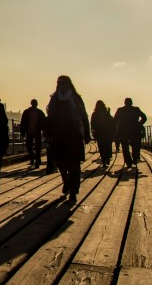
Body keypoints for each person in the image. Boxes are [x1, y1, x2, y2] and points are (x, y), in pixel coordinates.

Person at [45, 75, 90, 205]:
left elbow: (83, 116)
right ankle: (66, 181)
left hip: (74, 134)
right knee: (60, 162)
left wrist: (87, 133)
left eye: (64, 83)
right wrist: (47, 132)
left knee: (74, 164)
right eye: (59, 83)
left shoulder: (76, 98)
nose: (62, 85)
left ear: (69, 84)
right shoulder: (54, 99)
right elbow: (50, 117)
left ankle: (74, 191)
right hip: (58, 135)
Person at [113, 97, 148, 169]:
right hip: (134, 130)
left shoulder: (120, 110)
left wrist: (116, 128)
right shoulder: (136, 109)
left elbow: (115, 120)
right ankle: (135, 158)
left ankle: (128, 162)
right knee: (136, 145)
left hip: (123, 131)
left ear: (124, 103)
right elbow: (144, 117)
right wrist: (140, 123)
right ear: (131, 103)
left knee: (125, 147)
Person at [20, 99, 46, 169]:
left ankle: (36, 161)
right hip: (30, 131)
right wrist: (22, 131)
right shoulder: (27, 112)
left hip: (36, 131)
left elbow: (44, 122)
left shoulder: (39, 112)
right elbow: (23, 122)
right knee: (29, 146)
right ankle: (33, 157)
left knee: (37, 147)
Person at [90, 101, 115, 166]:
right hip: (99, 132)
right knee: (101, 147)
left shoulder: (106, 113)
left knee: (107, 146)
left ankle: (107, 158)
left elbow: (110, 121)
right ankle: (104, 160)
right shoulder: (94, 114)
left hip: (107, 132)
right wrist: (94, 129)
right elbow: (92, 123)